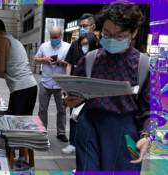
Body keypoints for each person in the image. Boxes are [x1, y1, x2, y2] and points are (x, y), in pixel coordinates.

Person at [64, 4, 150, 171]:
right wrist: (69, 101)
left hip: (125, 130)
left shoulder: (144, 65)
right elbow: (73, 93)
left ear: (134, 32)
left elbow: (152, 110)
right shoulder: (90, 60)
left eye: (119, 36)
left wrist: (147, 136)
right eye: (107, 34)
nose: (111, 40)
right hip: (90, 127)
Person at [0, 18, 37, 116]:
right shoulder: (16, 41)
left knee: (13, 124)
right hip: (32, 86)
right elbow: (9, 71)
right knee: (25, 121)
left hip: (20, 89)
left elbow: (0, 68)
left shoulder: (1, 40)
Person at [62, 32, 102, 153]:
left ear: (95, 42)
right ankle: (74, 143)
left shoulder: (103, 57)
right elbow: (74, 74)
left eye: (86, 43)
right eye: (82, 44)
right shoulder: (82, 58)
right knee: (76, 117)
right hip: (82, 94)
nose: (84, 46)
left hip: (97, 98)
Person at [34, 26, 71, 142]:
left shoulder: (68, 47)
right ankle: (42, 131)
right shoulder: (44, 46)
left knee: (61, 109)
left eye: (55, 37)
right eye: (51, 37)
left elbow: (71, 64)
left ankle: (61, 132)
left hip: (60, 84)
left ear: (61, 36)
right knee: (42, 109)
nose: (53, 39)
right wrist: (45, 59)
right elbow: (35, 59)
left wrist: (59, 61)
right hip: (45, 82)